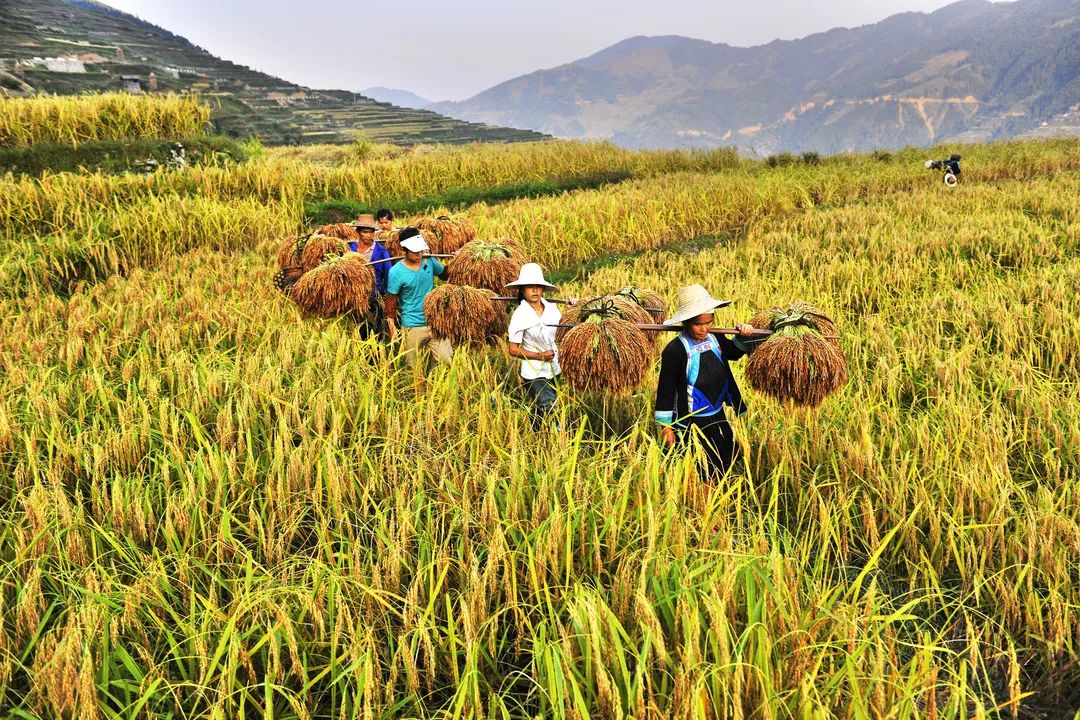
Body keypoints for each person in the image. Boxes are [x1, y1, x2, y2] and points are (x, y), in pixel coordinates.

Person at [654, 284, 757, 480]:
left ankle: (718, 494)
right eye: (698, 324)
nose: (704, 329)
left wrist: (744, 335)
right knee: (700, 465)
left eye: (709, 322)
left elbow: (733, 353)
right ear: (686, 322)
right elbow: (666, 391)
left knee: (725, 455)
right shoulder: (675, 350)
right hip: (692, 420)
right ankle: (703, 502)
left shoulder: (715, 337)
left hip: (716, 413)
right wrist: (666, 427)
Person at [505, 263, 562, 429]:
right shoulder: (520, 315)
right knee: (549, 405)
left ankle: (534, 431)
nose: (535, 291)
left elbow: (564, 331)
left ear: (543, 289)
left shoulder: (553, 310)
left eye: (538, 286)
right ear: (523, 290)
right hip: (533, 371)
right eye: (530, 287)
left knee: (542, 407)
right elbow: (513, 350)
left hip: (554, 368)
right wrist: (539, 356)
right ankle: (559, 438)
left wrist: (575, 308)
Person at [385, 227, 453, 366]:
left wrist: (458, 261)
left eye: (420, 250)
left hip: (435, 322)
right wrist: (391, 326)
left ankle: (438, 386)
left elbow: (445, 274)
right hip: (412, 326)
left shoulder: (429, 261)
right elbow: (391, 301)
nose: (419, 254)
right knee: (412, 367)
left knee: (446, 361)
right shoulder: (396, 272)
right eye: (415, 251)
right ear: (404, 250)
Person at [352, 214, 390, 339]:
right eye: (365, 232)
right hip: (354, 300)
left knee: (376, 331)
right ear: (358, 232)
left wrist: (383, 294)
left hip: (375, 298)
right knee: (358, 332)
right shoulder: (350, 249)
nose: (369, 235)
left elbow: (388, 275)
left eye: (371, 232)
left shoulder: (381, 251)